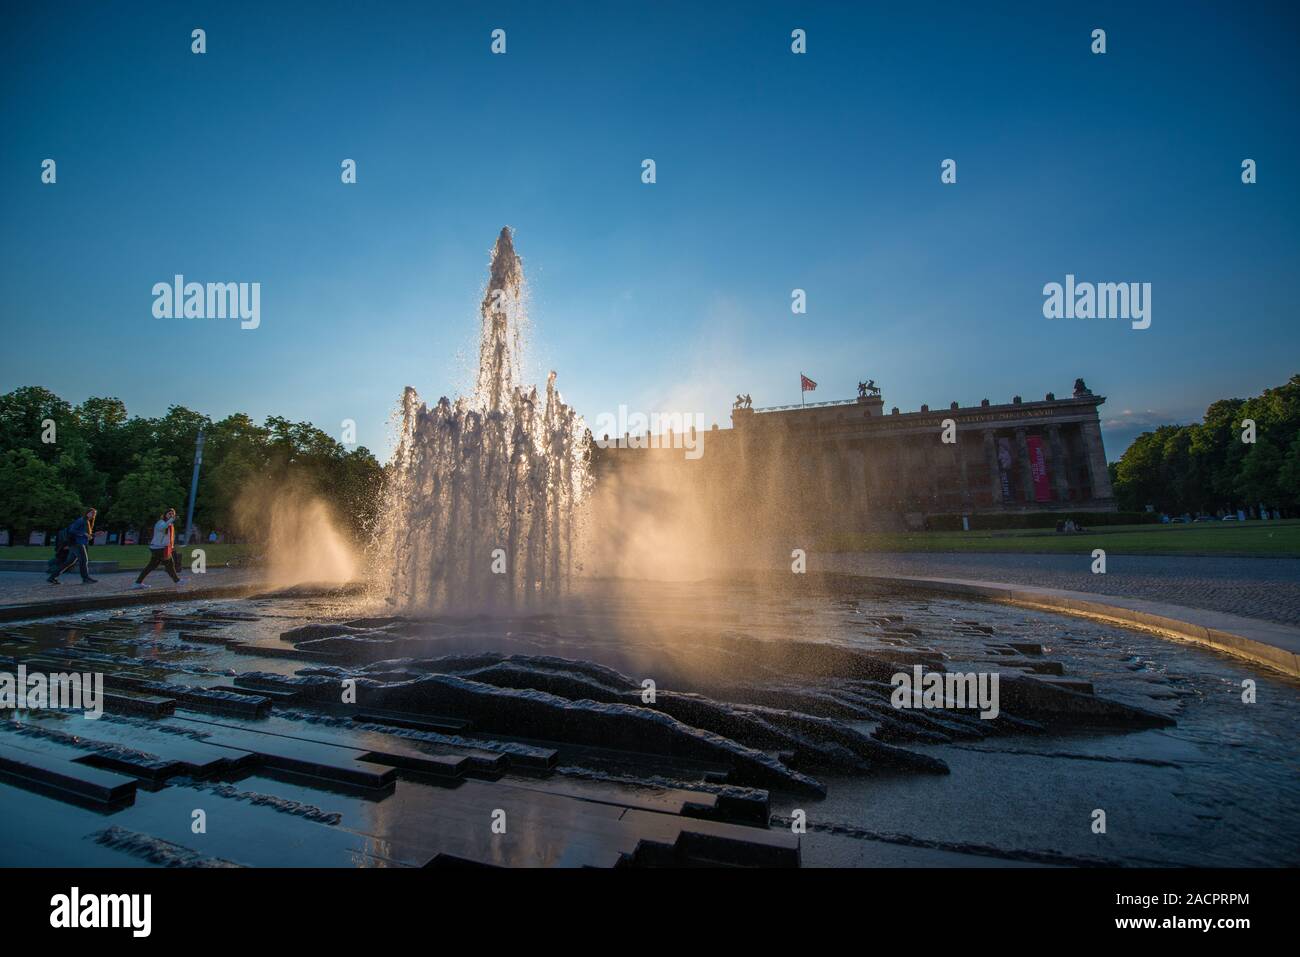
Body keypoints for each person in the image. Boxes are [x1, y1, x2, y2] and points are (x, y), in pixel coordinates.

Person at [134, 507, 182, 588]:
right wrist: (171, 520)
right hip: (158, 548)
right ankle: (177, 581)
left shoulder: (169, 524)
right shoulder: (161, 522)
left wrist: (171, 547)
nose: (171, 515)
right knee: (169, 564)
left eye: (173, 514)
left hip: (161, 548)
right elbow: (162, 528)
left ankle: (137, 583)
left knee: (153, 566)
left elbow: (169, 537)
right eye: (169, 513)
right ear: (165, 514)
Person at [48, 508, 98, 584]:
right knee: (84, 560)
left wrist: (93, 535)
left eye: (94, 513)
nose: (92, 514)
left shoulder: (86, 522)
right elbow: (72, 530)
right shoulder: (81, 520)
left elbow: (85, 535)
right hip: (77, 544)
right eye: (91, 513)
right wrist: (84, 534)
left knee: (69, 562)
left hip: (76, 544)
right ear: (87, 513)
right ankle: (85, 578)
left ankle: (52, 577)